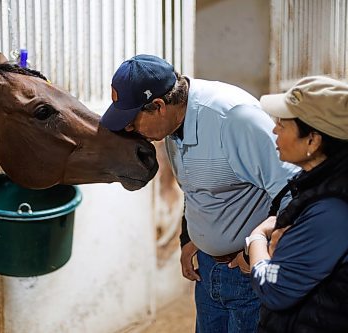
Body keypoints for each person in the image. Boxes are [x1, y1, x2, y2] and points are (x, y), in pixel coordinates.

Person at [100, 54, 297, 332]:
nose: (130, 130)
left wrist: (252, 252)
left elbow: (294, 191)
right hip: (206, 273)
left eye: (132, 121)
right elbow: (195, 189)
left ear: (158, 106)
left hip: (246, 273)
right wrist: (189, 237)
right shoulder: (171, 127)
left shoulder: (234, 118)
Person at [246, 75, 348, 332]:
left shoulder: (335, 209)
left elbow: (273, 289)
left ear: (313, 140)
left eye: (283, 124)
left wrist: (256, 238)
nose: (274, 129)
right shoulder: (343, 174)